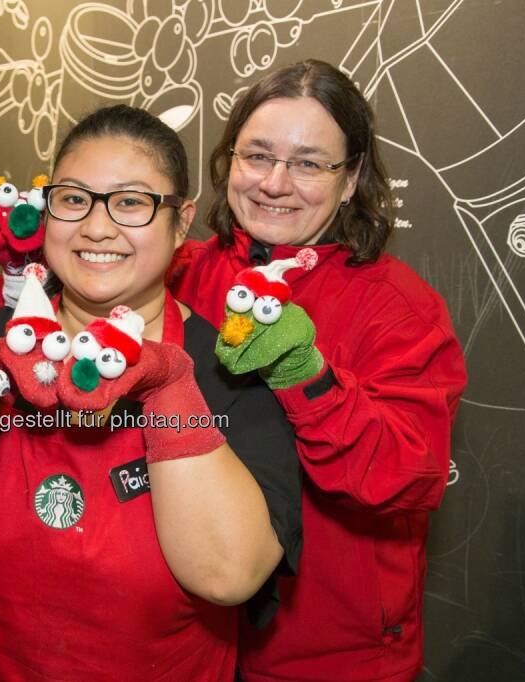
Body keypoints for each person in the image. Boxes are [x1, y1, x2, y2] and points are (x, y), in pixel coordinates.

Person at [0, 104, 302, 680]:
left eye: (131, 202)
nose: (97, 227)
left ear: (181, 222)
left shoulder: (226, 374)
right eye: (74, 199)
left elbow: (230, 575)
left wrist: (167, 384)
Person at [167, 60, 467, 682]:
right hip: (192, 636)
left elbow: (405, 475)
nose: (275, 183)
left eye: (309, 163)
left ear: (352, 177)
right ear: (229, 164)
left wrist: (306, 372)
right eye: (257, 156)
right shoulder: (183, 271)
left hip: (328, 654)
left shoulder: (400, 309)